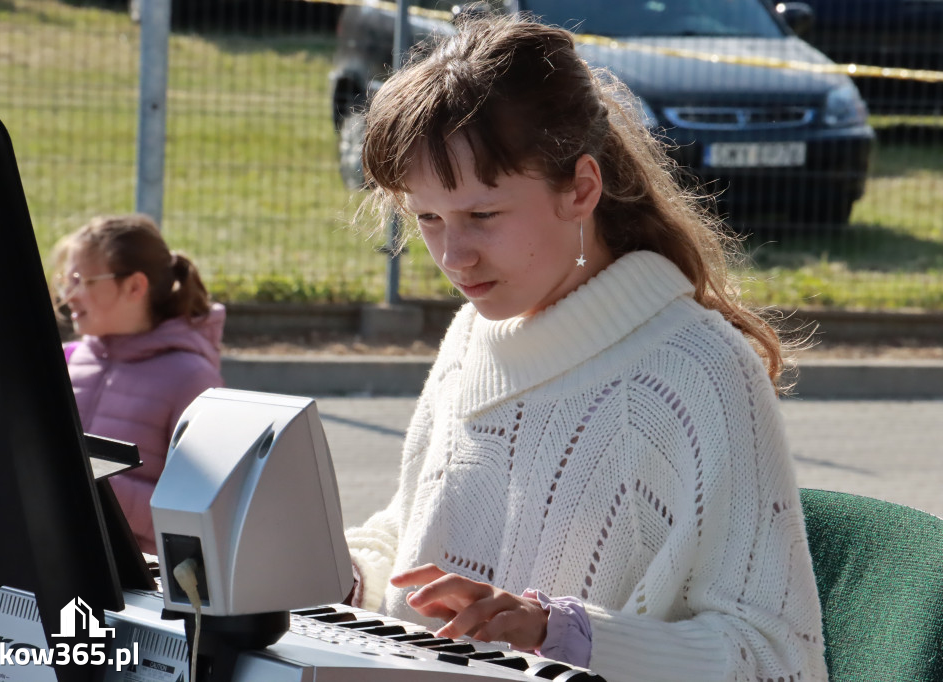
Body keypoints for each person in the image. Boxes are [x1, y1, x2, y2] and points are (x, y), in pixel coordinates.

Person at [344, 16, 828, 682]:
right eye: (428, 217)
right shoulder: (472, 336)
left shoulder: (701, 370)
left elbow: (775, 656)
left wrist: (565, 635)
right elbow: (413, 546)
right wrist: (346, 579)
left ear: (582, 189)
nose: (452, 256)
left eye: (483, 215)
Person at [52, 214, 225, 555]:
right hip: (55, 562)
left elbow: (203, 513)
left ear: (134, 287)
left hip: (135, 588)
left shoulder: (191, 378)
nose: (68, 297)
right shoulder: (65, 359)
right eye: (65, 281)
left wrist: (92, 488)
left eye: (81, 281)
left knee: (75, 613)